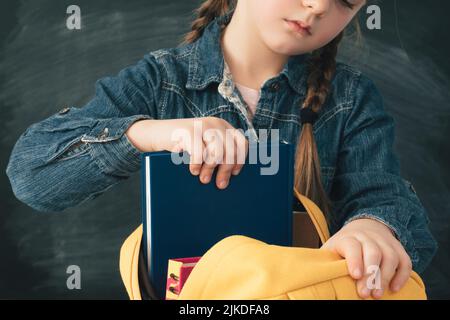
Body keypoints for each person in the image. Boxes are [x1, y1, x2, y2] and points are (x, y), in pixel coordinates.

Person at [6, 0, 437, 299]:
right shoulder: (159, 81)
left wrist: (375, 227)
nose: (319, 7)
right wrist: (152, 134)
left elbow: (382, 196)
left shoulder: (352, 98)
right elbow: (32, 175)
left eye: (344, 0)